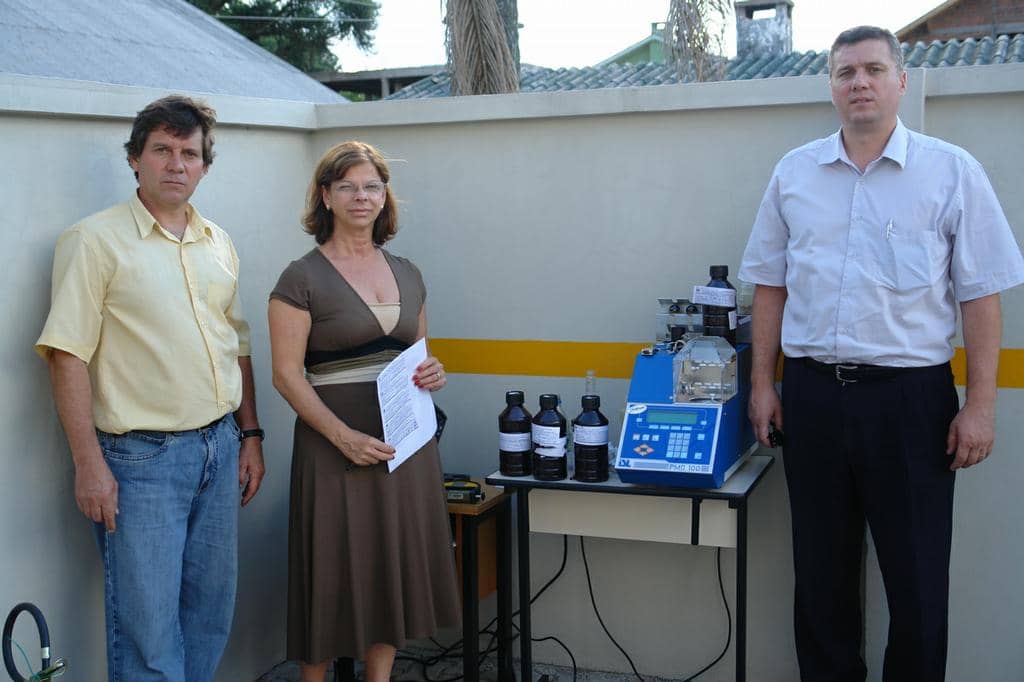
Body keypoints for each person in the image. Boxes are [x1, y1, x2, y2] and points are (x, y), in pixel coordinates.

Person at [739, 25, 1024, 682]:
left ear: (900, 80)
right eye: (845, 72)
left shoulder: (951, 172)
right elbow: (770, 286)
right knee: (820, 577)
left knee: (917, 581)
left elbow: (981, 297)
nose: (859, 83)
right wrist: (763, 384)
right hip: (811, 397)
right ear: (832, 87)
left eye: (872, 69)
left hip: (911, 404)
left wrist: (980, 407)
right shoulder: (795, 174)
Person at [34, 95, 266, 682]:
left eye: (189, 153)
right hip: (140, 462)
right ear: (135, 159)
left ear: (204, 167)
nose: (175, 164)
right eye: (161, 150)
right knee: (148, 632)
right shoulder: (94, 241)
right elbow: (66, 356)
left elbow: (236, 345)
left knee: (209, 615)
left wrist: (251, 436)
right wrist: (89, 464)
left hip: (219, 448)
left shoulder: (219, 242)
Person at [269, 141, 460, 682]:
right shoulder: (299, 277)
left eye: (372, 186)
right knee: (329, 572)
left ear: (385, 197)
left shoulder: (409, 272)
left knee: (386, 569)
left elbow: (417, 358)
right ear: (325, 195)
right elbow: (287, 374)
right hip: (334, 448)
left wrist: (435, 373)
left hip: (403, 446)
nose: (361, 196)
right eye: (348, 186)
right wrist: (342, 436)